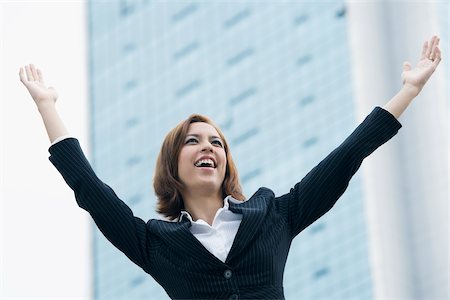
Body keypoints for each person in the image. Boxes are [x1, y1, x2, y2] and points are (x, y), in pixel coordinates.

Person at [19, 36, 441, 300]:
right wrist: (47, 107)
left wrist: (407, 92)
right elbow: (91, 191)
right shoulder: (154, 242)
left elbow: (346, 157)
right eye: (193, 140)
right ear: (173, 165)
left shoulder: (275, 214)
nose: (208, 147)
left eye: (217, 142)